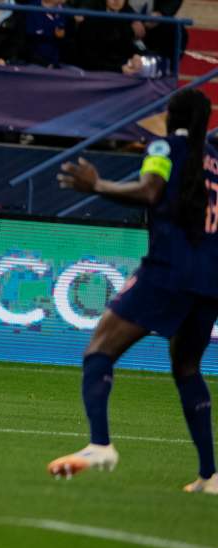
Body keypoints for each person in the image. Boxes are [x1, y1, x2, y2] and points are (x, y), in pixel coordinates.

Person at [47, 89, 218, 495]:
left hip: (168, 270)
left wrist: (97, 185)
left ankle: (100, 445)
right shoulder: (214, 160)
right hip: (211, 279)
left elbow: (150, 190)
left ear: (171, 115)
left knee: (99, 350)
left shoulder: (163, 147)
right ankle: (210, 476)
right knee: (187, 368)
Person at [75, 0, 143, 73]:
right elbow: (88, 58)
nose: (117, 0)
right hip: (94, 72)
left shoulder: (125, 17)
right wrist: (119, 69)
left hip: (117, 67)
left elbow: (127, 45)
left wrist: (136, 55)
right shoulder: (91, 19)